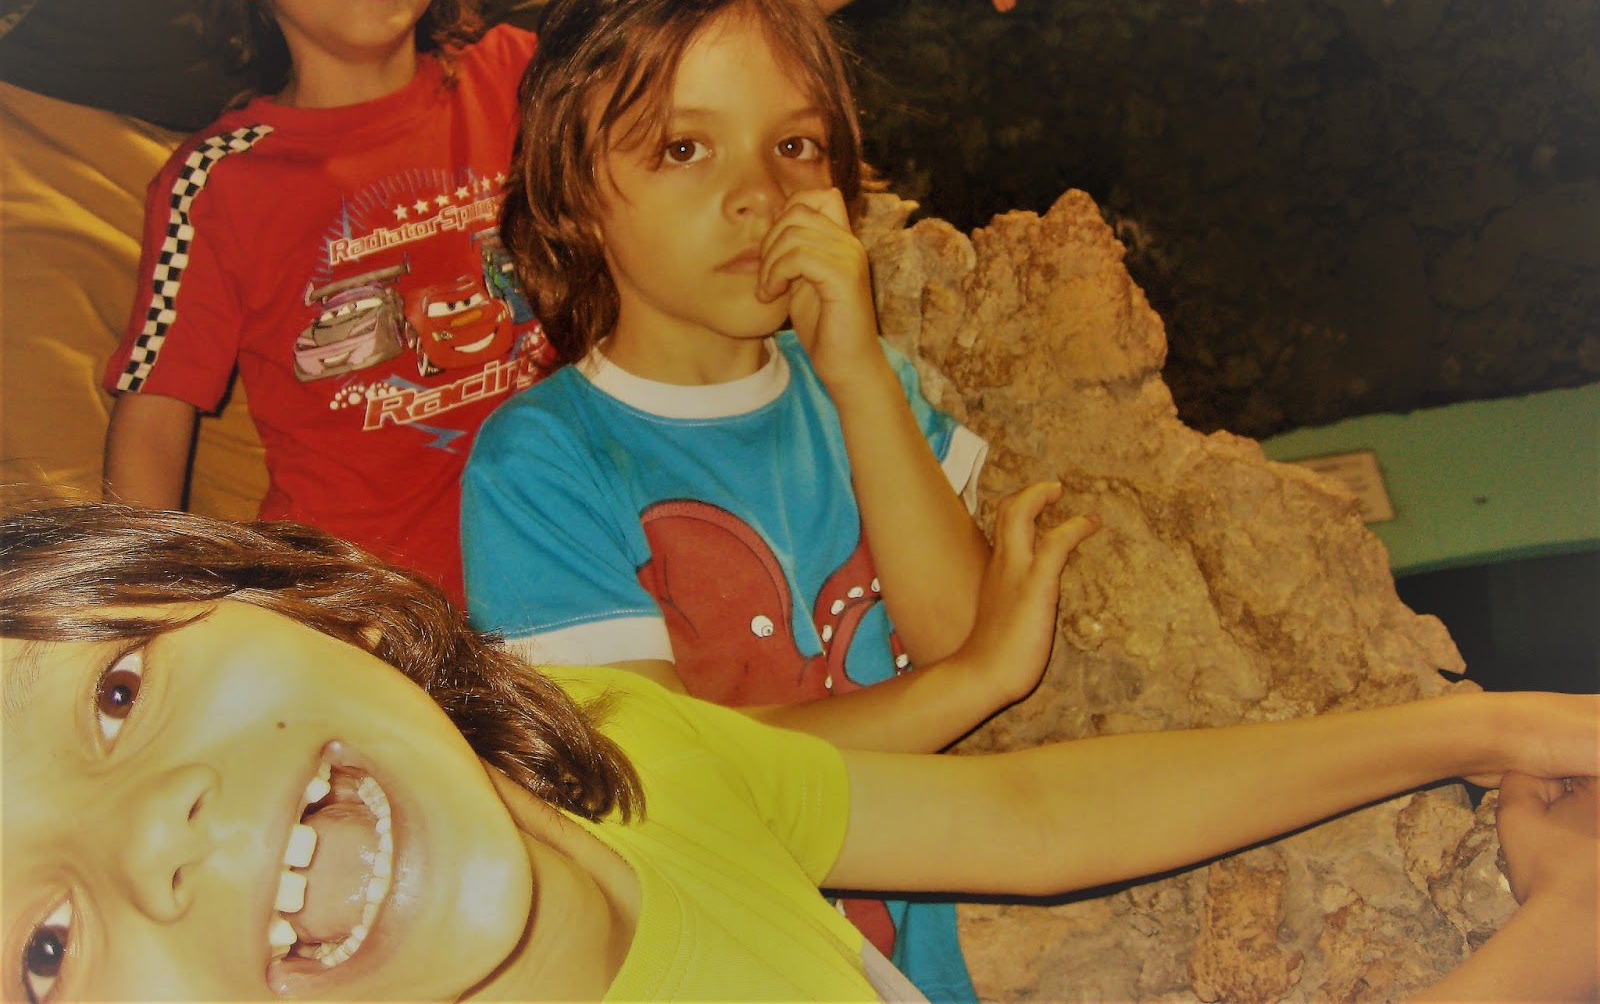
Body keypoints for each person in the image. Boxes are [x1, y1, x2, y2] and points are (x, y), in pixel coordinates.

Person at [2, 495, 1596, 1002]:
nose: (152, 837)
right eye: (42, 950)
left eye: (115, 694)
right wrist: (1547, 950)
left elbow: (1030, 820)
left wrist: (1477, 727)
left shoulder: (601, 759)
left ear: (261, 592)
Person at [98, 0, 1068, 603]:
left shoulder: (515, 79)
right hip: (377, 617)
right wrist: (145, 616)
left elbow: (699, 32)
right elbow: (153, 420)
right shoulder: (219, 183)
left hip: (606, 561)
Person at [461, 0, 1083, 998]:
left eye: (795, 145)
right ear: (572, 192)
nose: (758, 193)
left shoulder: (867, 387)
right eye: (683, 148)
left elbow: (956, 630)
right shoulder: (542, 462)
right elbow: (671, 782)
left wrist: (857, 376)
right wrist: (969, 684)